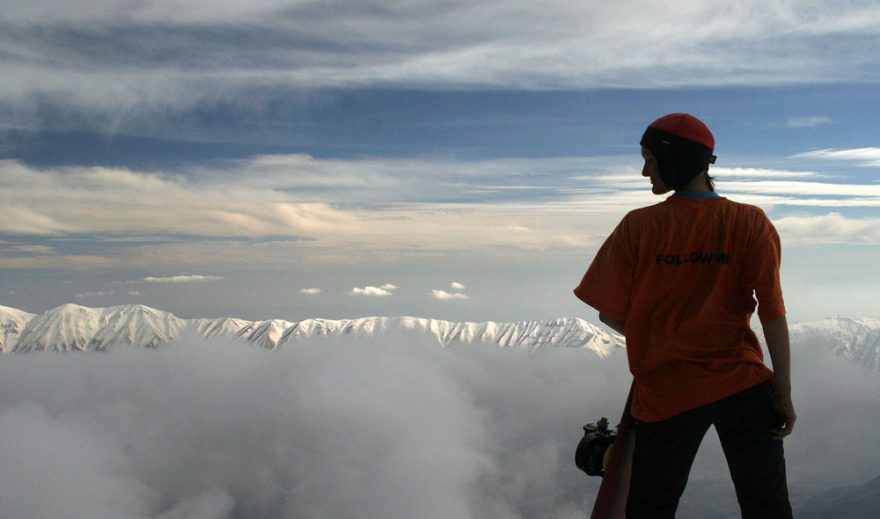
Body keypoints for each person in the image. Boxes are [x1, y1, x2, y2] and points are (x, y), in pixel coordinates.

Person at [574, 113, 796, 518]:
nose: (644, 172)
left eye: (650, 160)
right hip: (744, 384)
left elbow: (609, 312)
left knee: (651, 507)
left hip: (665, 392)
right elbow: (774, 313)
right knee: (767, 506)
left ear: (675, 160)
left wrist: (655, 333)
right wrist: (782, 390)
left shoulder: (638, 227)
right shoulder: (750, 222)